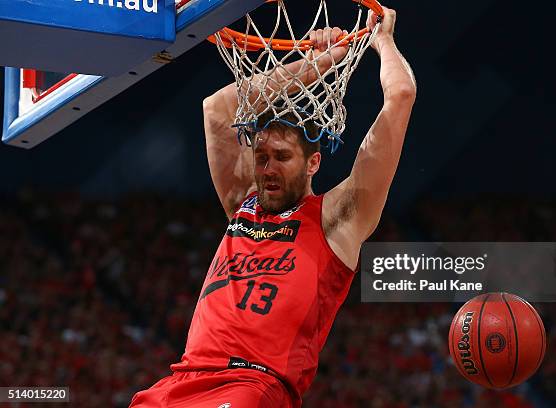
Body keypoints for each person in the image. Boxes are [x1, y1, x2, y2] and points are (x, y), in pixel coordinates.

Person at [130, 6, 416, 408]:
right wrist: (323, 60)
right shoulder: (242, 204)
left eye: (281, 157)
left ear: (313, 163)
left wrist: (380, 40)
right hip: (180, 382)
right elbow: (217, 108)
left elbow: (401, 96)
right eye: (261, 156)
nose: (267, 168)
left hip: (253, 386)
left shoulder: (337, 219)